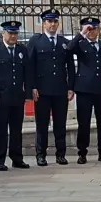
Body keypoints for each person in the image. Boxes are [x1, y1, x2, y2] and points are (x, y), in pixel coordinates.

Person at [27, 9, 74, 165]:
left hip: (60, 89)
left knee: (60, 124)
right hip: (42, 90)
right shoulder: (36, 41)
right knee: (42, 124)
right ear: (44, 23)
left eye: (55, 22)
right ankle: (41, 155)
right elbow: (30, 66)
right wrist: (32, 87)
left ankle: (61, 154)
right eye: (49, 21)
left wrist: (70, 87)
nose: (52, 24)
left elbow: (70, 67)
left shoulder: (64, 42)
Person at [71, 16, 101, 164]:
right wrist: (81, 34)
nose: (92, 32)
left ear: (99, 29)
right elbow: (68, 49)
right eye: (89, 29)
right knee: (83, 123)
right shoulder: (80, 44)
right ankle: (82, 152)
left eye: (94, 28)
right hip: (84, 90)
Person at [0, 20, 31, 171]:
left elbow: (27, 73)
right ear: (3, 34)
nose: (13, 36)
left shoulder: (22, 50)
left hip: (17, 95)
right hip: (1, 96)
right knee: (0, 129)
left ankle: (17, 158)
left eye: (15, 33)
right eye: (10, 33)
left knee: (16, 129)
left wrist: (28, 93)